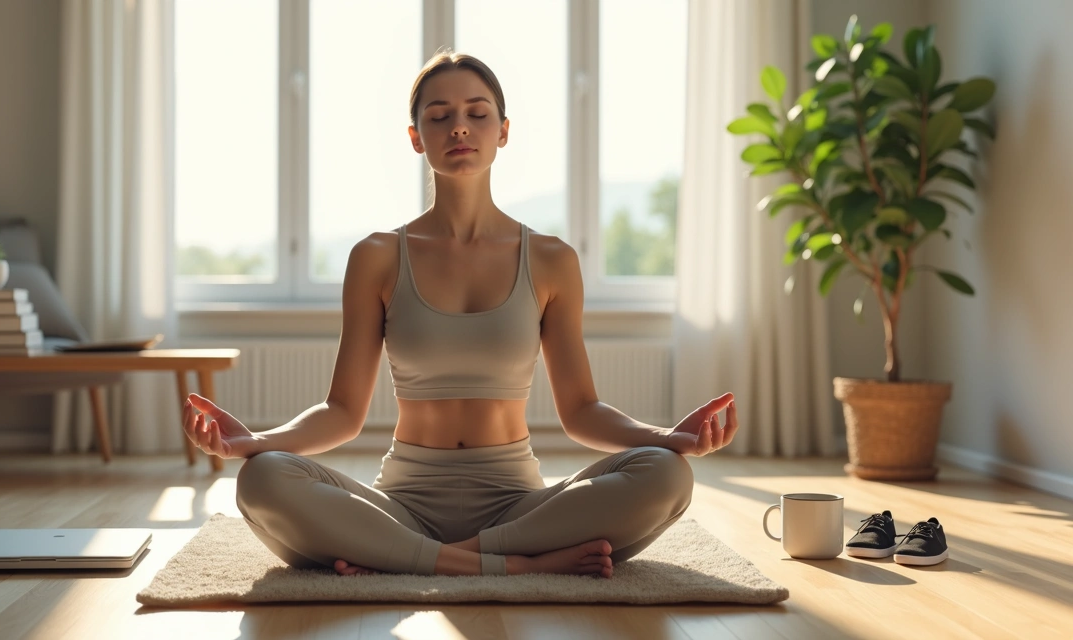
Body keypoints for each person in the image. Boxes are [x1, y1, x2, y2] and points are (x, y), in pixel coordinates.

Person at [181, 49, 739, 579]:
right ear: (415, 138)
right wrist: (253, 443)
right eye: (439, 115)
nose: (460, 128)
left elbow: (582, 411)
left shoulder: (550, 259)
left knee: (665, 473)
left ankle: (422, 561)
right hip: (402, 505)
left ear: (503, 131)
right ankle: (511, 566)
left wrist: (668, 437)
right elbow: (342, 412)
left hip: (521, 508)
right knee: (263, 479)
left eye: (477, 113)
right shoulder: (376, 256)